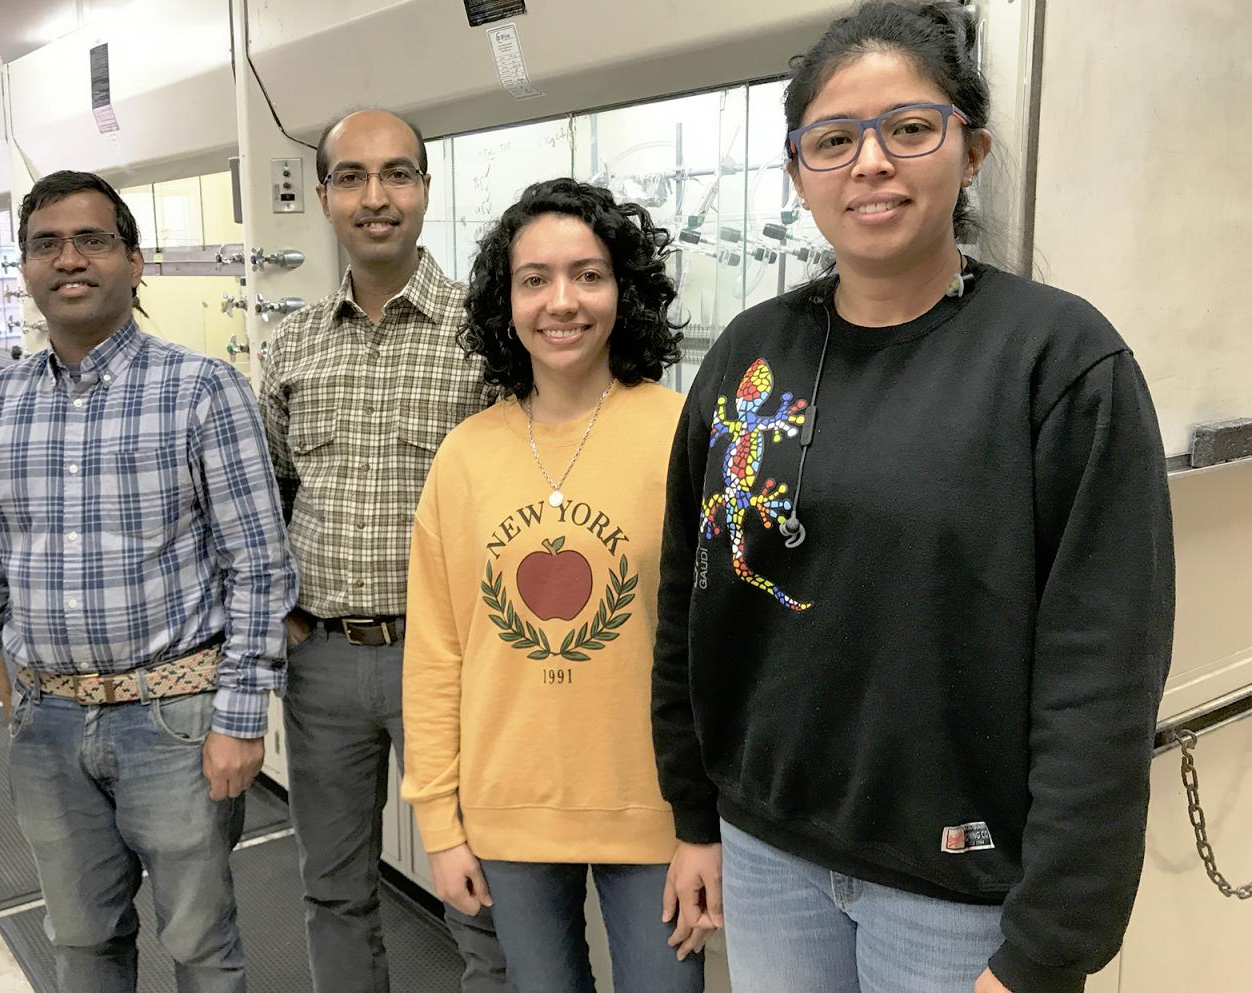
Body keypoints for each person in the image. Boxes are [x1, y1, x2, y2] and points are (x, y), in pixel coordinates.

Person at [652, 4, 1175, 993]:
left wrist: (1050, 943)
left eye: (909, 128)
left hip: (959, 891)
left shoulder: (1059, 362)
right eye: (833, 140)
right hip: (768, 850)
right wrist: (693, 814)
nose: (871, 163)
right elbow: (691, 595)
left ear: (971, 151)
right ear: (799, 172)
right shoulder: (749, 355)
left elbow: (1103, 672)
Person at [0, 170, 295, 993]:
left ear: (134, 262)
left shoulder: (201, 390)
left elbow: (260, 566)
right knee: (81, 942)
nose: (69, 259)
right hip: (46, 724)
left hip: (174, 720)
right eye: (46, 244)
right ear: (25, 268)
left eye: (92, 240)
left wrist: (241, 717)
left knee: (201, 945)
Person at [400, 177, 710, 993]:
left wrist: (708, 824)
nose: (561, 301)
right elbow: (436, 655)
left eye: (589, 274)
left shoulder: (683, 433)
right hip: (509, 808)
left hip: (656, 809)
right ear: (506, 302)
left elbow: (719, 646)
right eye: (534, 279)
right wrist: (439, 823)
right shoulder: (466, 455)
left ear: (624, 291)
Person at [258, 109, 507, 993]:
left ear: (426, 190)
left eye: (397, 174)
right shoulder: (291, 344)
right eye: (352, 177)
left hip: (452, 664)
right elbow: (272, 490)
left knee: (483, 897)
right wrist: (285, 618)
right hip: (323, 661)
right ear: (324, 195)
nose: (376, 197)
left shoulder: (486, 334)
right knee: (333, 890)